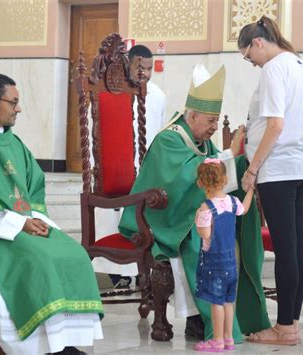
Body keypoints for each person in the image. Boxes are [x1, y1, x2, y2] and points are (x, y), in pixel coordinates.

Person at [0, 74, 103, 355]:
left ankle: (61, 343)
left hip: (21, 225)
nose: (18, 109)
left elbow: (33, 190)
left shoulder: (14, 144)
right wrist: (20, 224)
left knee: (74, 254)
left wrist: (35, 220)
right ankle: (28, 347)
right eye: (14, 102)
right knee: (35, 259)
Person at [119, 63, 271, 342]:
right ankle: (203, 319)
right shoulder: (169, 139)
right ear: (192, 115)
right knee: (201, 237)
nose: (215, 127)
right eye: (211, 121)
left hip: (185, 213)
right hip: (160, 218)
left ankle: (226, 317)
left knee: (228, 229)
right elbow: (186, 181)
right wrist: (230, 154)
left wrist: (245, 161)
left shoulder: (201, 141)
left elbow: (214, 177)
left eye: (217, 120)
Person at [237, 16, 303, 345]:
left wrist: (253, 169)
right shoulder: (302, 64)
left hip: (279, 169)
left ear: (258, 43)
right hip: (302, 166)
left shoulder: (273, 68)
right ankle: (292, 324)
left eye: (247, 56)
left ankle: (284, 328)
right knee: (296, 247)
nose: (251, 63)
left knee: (285, 250)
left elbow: (275, 125)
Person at [93, 44, 167, 289]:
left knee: (140, 222)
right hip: (114, 169)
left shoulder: (157, 95)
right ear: (129, 65)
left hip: (145, 169)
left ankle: (141, 272)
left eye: (149, 68)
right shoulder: (114, 92)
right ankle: (116, 274)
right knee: (111, 222)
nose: (145, 73)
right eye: (140, 68)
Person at [193, 159, 254, 352]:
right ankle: (228, 338)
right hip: (231, 263)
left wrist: (198, 218)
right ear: (225, 179)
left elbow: (205, 235)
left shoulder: (206, 208)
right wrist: (251, 190)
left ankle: (217, 340)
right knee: (229, 301)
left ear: (200, 183)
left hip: (214, 263)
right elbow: (244, 209)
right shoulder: (233, 202)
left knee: (216, 303)